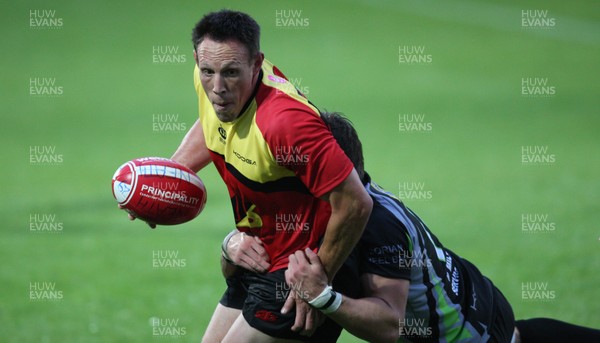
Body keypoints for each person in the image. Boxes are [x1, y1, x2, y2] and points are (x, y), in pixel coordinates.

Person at [227, 112, 600, 342]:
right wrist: (231, 244)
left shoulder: (374, 226)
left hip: (466, 329)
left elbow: (390, 324)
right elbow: (246, 265)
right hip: (477, 295)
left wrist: (323, 296)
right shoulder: (328, 206)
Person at [163, 10, 373, 343]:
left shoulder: (285, 123)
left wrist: (318, 284)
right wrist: (167, 180)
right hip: (263, 254)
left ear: (256, 63)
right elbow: (212, 126)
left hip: (303, 264)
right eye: (208, 72)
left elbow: (355, 202)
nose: (217, 88)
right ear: (197, 61)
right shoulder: (213, 82)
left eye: (231, 73)